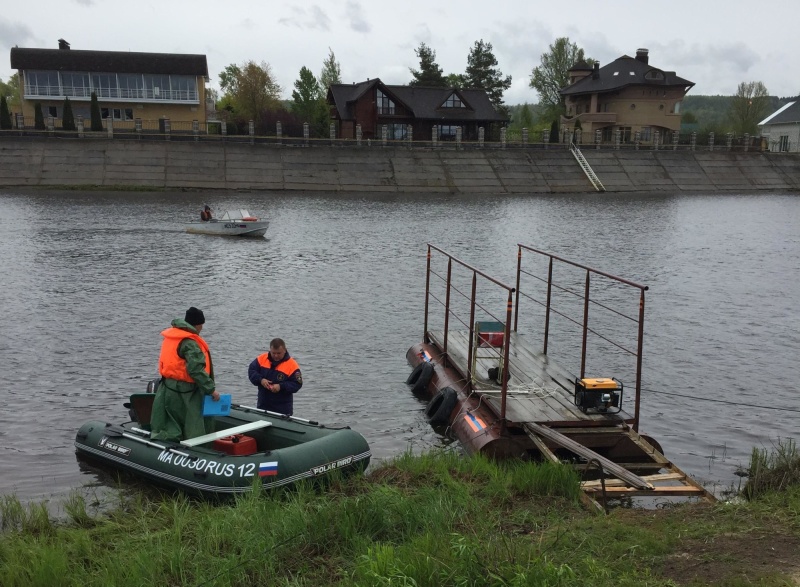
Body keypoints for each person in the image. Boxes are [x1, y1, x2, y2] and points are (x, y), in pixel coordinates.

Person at [150, 307, 220, 442]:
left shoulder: (172, 336)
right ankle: (197, 452)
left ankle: (168, 445)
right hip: (186, 391)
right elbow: (196, 370)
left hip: (168, 386)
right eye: (202, 325)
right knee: (193, 424)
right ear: (198, 324)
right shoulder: (190, 343)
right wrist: (211, 389)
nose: (202, 328)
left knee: (172, 422)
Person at [248, 338, 302, 416]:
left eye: (279, 353)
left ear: (284, 350)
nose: (276, 356)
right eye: (273, 353)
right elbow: (252, 370)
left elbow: (297, 384)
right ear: (270, 350)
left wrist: (281, 386)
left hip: (282, 409)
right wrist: (261, 380)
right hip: (263, 405)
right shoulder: (262, 358)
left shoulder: (292, 365)